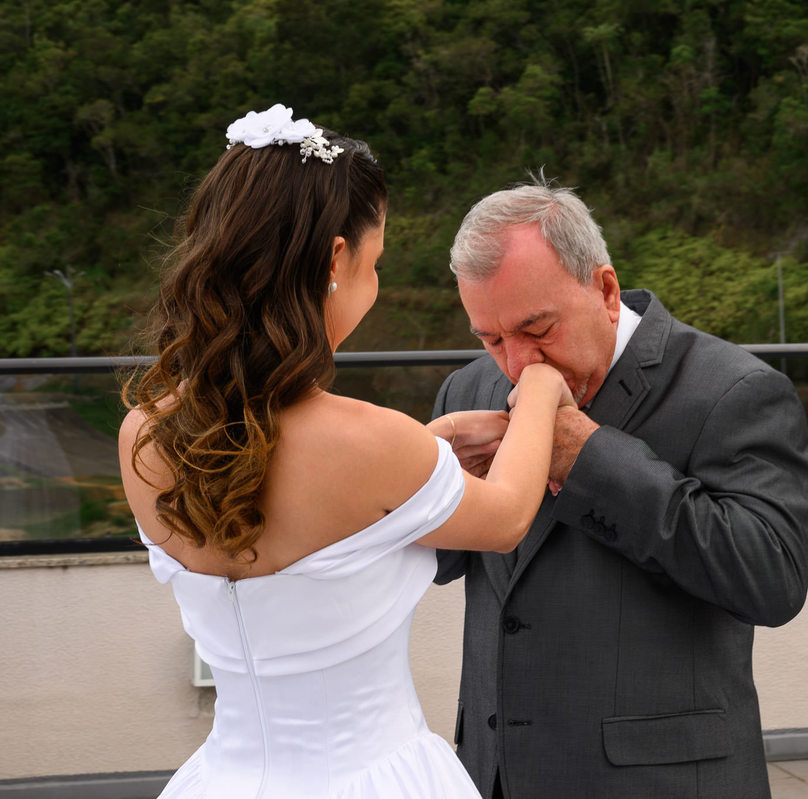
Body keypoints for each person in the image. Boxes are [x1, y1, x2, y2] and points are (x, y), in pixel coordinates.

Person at [118, 105, 572, 799]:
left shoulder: (144, 433)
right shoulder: (370, 440)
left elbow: (290, 502)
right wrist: (539, 383)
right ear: (336, 258)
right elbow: (508, 514)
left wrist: (428, 448)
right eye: (376, 260)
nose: (376, 280)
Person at [432, 178, 808, 799]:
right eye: (491, 338)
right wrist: (430, 487)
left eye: (538, 329)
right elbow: (442, 565)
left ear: (606, 291)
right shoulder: (467, 389)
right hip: (496, 773)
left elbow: (771, 578)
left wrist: (589, 460)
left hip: (663, 781)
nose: (516, 364)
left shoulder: (736, 390)